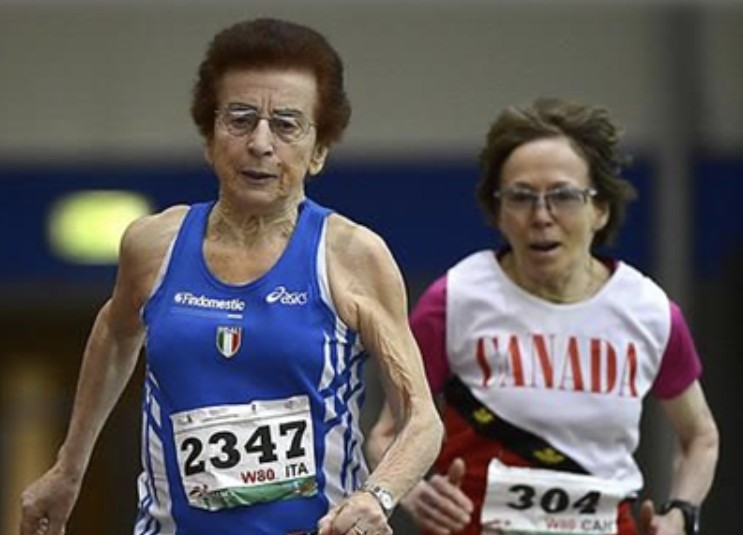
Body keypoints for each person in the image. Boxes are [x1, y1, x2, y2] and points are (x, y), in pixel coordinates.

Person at [19, 17, 443, 535]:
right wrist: (68, 467)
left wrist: (377, 496)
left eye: (286, 124)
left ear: (319, 152)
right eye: (240, 119)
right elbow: (115, 333)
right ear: (209, 138)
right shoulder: (153, 246)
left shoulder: (352, 255)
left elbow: (421, 419)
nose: (260, 143)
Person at [367, 97, 719, 535]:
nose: (541, 216)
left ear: (600, 209)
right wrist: (413, 493)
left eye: (563, 196)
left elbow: (700, 437)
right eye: (520, 197)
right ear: (498, 212)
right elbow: (385, 433)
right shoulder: (455, 300)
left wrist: (681, 514)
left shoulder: (649, 311)